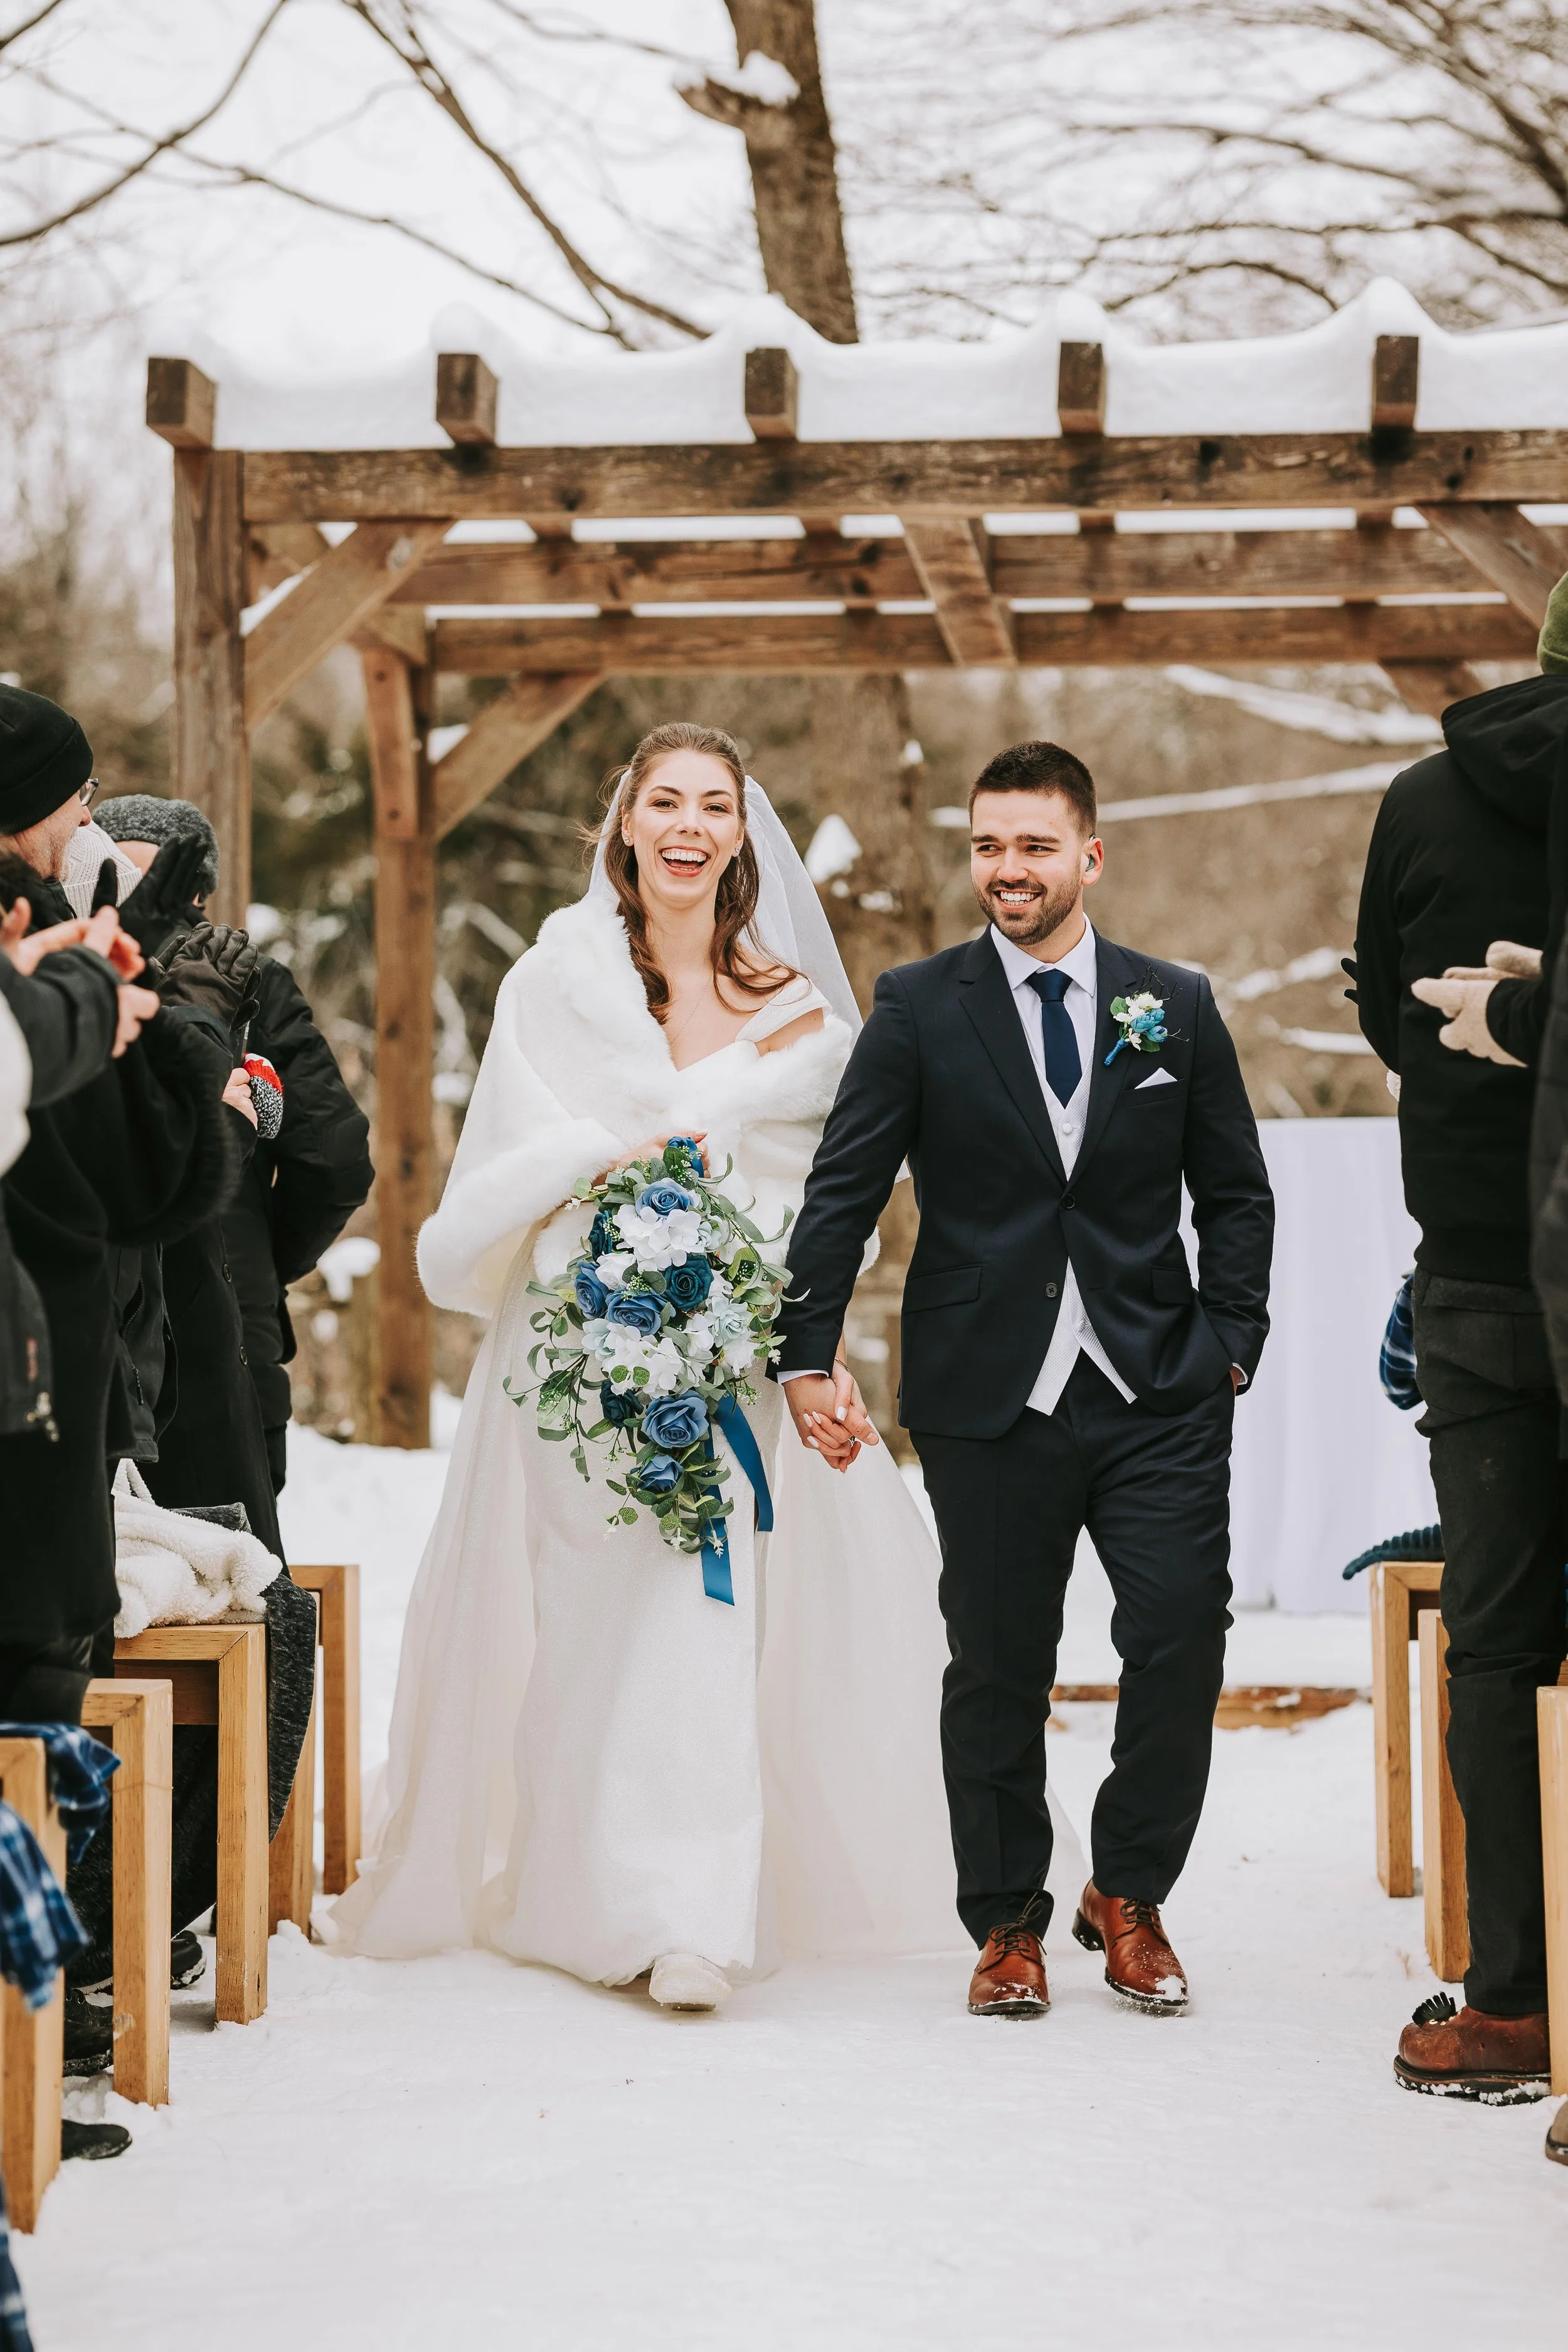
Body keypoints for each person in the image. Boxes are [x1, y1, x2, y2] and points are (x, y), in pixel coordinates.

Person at [332, 722, 1078, 2006]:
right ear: (623, 824)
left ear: (741, 834)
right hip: (575, 1357)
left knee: (703, 1606)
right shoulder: (551, 983)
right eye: (662, 802)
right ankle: (579, 1892)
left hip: (728, 1351)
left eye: (712, 806)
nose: (686, 825)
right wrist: (604, 1190)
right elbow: (501, 1168)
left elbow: (829, 1191)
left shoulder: (793, 1007)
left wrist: (739, 1265)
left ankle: (687, 1914)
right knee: (584, 1606)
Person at [775, 740, 1274, 2020]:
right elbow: (844, 1189)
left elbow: (1232, 1193)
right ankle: (1005, 1922)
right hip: (986, 1389)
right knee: (995, 1663)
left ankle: (1131, 1893)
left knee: (1178, 1635)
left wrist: (1227, 1341)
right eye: (988, 844)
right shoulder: (917, 1006)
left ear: (1087, 856)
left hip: (1157, 1387)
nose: (1007, 868)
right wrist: (802, 1350)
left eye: (1033, 846)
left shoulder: (1173, 1004)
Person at [1353, 657, 1568, 2100]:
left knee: (1492, 1636)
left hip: (1483, 1266)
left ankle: (1511, 2000)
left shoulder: (1426, 796)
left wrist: (1484, 1060)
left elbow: (1383, 1010)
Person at [96, 795, 373, 1495]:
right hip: (230, 1320)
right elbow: (334, 1164)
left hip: (103, 1337)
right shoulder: (249, 978)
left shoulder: (67, 981)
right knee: (236, 1571)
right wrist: (259, 1258)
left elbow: (332, 1154)